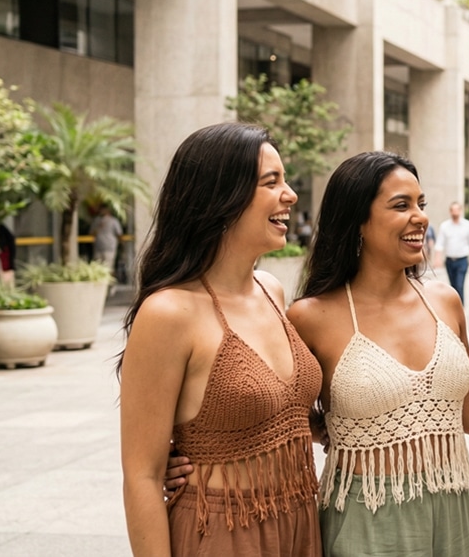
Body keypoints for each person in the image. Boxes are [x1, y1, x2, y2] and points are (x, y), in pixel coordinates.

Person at [287, 152, 469, 556]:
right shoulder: (311, 317)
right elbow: (280, 420)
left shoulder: (444, 301)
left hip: (453, 512)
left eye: (421, 204)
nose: (420, 217)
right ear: (358, 222)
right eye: (401, 205)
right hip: (364, 520)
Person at [120, 123, 323, 556]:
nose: (290, 195)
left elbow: (282, 416)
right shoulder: (169, 312)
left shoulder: (272, 289)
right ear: (221, 198)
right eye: (272, 182)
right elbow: (142, 476)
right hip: (224, 532)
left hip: (302, 520)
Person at [435, 202, 469, 303]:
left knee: (459, 286)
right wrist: (437, 259)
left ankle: (460, 309)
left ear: (460, 210)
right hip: (449, 261)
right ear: (450, 211)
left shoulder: (468, 225)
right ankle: (454, 309)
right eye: (452, 210)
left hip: (462, 260)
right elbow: (439, 244)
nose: (455, 212)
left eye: (457, 210)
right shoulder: (445, 226)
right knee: (452, 287)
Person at [92, 205, 123, 271]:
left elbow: (119, 234)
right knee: (98, 268)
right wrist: (99, 227)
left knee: (108, 267)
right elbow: (91, 233)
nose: (101, 211)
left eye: (103, 210)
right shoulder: (97, 220)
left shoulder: (114, 221)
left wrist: (121, 243)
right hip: (98, 246)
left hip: (109, 247)